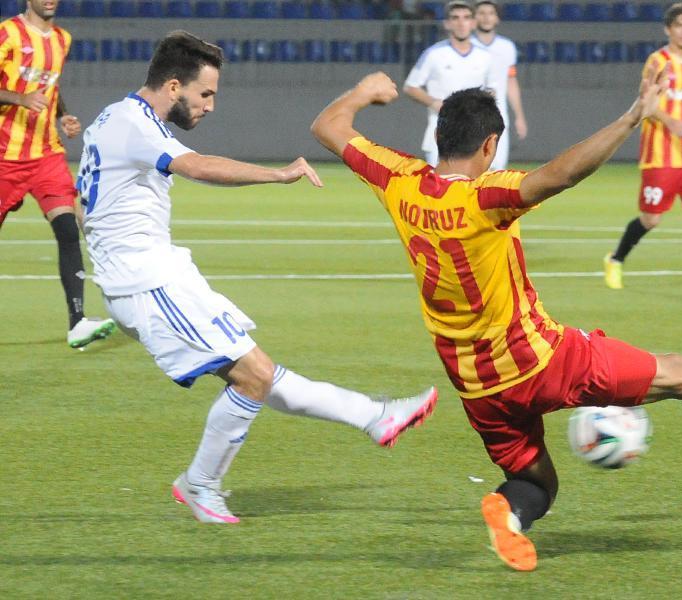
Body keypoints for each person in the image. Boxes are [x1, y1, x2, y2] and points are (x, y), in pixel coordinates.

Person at [310, 69, 682, 571]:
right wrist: (632, 117)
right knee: (681, 375)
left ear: (439, 137)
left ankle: (510, 515)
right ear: (490, 145)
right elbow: (561, 174)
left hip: (477, 389)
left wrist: (362, 93)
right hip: (543, 360)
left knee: (535, 482)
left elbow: (327, 127)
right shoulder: (485, 197)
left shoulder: (399, 180)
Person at [78, 31, 438, 525]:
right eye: (205, 94)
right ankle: (200, 484)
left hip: (154, 275)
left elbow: (89, 204)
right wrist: (278, 174)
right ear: (174, 85)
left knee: (260, 374)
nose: (210, 106)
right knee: (255, 376)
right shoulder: (134, 124)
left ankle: (373, 416)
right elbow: (197, 166)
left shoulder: (112, 117)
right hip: (148, 283)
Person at [0, 0, 116, 348]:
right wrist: (19, 98)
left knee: (67, 229)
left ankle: (77, 322)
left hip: (46, 154)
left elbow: (49, 88)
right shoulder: (7, 33)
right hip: (5, 156)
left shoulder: (62, 39)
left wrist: (61, 115)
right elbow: (26, 93)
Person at [604, 2, 682, 292]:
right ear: (668, 30)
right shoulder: (657, 61)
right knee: (652, 219)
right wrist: (670, 121)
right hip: (660, 154)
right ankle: (615, 259)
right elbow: (645, 103)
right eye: (679, 26)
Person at [403, 0, 499, 166]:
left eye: (466, 18)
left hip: (474, 134)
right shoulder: (434, 54)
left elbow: (492, 89)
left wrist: (478, 107)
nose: (461, 23)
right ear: (447, 24)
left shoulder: (485, 57)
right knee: (440, 181)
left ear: (473, 23)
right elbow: (410, 87)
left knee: (472, 182)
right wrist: (434, 103)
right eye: (455, 18)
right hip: (441, 132)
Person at [471, 0, 527, 170]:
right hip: (470, 114)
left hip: (498, 114)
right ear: (474, 18)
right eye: (481, 13)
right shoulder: (467, 45)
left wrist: (519, 116)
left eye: (491, 13)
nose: (486, 17)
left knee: (498, 167)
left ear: (497, 18)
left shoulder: (506, 47)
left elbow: (511, 81)